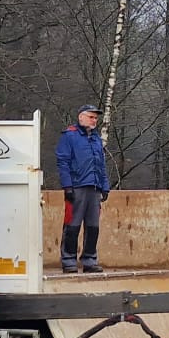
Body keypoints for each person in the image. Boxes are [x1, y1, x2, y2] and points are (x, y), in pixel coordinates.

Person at [56, 103, 110, 274]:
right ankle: (68, 261)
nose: (94, 120)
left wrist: (105, 186)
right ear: (81, 117)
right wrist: (67, 186)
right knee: (72, 226)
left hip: (94, 187)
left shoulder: (96, 139)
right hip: (77, 186)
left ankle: (89, 260)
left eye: (96, 118)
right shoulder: (70, 136)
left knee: (93, 227)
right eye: (91, 117)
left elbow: (101, 165)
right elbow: (63, 162)